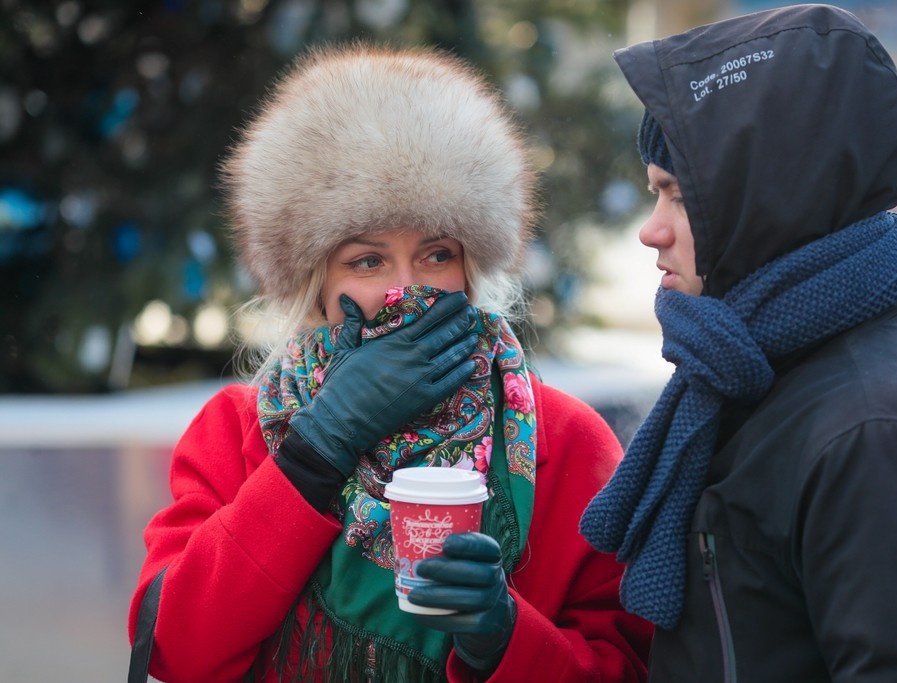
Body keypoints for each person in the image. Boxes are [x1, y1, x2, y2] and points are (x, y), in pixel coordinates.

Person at [127, 44, 652, 682]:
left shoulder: (565, 441)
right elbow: (175, 649)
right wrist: (317, 448)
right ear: (315, 282)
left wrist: (505, 641)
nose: (409, 290)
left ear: (472, 269)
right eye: (368, 261)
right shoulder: (238, 429)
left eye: (436, 254)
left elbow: (626, 666)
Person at [580, 5, 897, 681]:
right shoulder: (752, 373)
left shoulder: (875, 435)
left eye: (676, 195)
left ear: (765, 203)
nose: (652, 229)